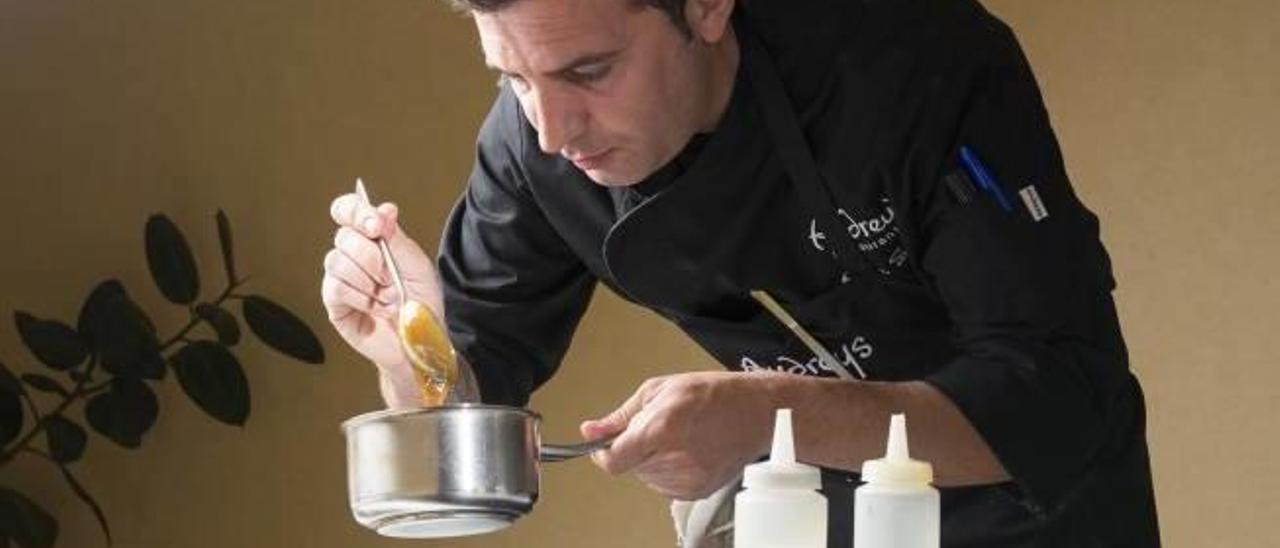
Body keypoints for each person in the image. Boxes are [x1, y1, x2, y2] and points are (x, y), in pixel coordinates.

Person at [320, 0, 1161, 546]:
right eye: (512, 79)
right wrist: (410, 347)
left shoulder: (915, 63)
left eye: (589, 72)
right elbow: (464, 428)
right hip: (791, 506)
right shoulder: (531, 151)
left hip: (1038, 509)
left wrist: (770, 415)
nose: (551, 129)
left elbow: (1054, 391)